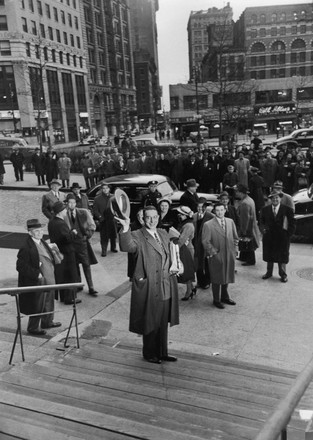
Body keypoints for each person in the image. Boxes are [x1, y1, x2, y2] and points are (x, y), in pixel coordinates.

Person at [118, 205, 179, 364]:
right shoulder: (137, 235)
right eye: (148, 217)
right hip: (150, 285)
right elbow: (127, 246)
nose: (152, 220)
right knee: (151, 320)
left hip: (165, 285)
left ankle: (162, 352)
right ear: (142, 219)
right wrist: (125, 228)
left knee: (162, 321)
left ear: (159, 217)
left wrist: (176, 265)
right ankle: (149, 353)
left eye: (155, 217)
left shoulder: (163, 233)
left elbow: (170, 255)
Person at [16, 219, 61, 335]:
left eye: (41, 230)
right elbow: (20, 266)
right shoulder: (26, 247)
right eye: (36, 231)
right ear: (30, 233)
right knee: (38, 303)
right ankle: (33, 327)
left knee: (49, 301)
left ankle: (47, 321)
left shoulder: (42, 242)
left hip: (49, 277)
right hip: (38, 280)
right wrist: (37, 274)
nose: (40, 232)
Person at [202, 202, 238, 309]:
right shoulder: (208, 225)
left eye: (222, 210)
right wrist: (213, 253)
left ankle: (225, 297)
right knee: (217, 278)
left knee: (227, 275)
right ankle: (216, 299)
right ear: (214, 211)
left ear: (225, 210)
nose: (220, 212)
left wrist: (235, 250)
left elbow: (235, 238)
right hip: (217, 255)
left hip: (229, 254)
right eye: (217, 210)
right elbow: (205, 241)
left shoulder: (230, 222)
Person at [48, 201, 80, 305]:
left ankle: (63, 296)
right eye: (64, 209)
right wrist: (73, 233)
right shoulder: (60, 223)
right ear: (60, 212)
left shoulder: (51, 222)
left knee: (62, 275)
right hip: (66, 252)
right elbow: (66, 239)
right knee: (70, 275)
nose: (66, 210)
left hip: (59, 252)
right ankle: (70, 298)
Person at [65, 194, 98, 296]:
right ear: (66, 203)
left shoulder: (83, 212)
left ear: (76, 203)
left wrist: (87, 235)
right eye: (69, 202)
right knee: (74, 265)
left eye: (73, 202)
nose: (71, 205)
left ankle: (91, 287)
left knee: (86, 264)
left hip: (82, 243)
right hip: (70, 244)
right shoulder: (64, 214)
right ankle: (78, 284)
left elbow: (92, 226)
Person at [260, 190, 295, 283]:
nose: (275, 199)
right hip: (269, 237)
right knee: (269, 256)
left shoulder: (287, 210)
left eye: (277, 197)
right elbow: (261, 222)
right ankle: (269, 272)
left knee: (282, 257)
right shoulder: (265, 209)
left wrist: (288, 235)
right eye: (273, 198)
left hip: (282, 238)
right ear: (270, 199)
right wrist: (263, 231)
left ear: (280, 198)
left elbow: (292, 224)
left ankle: (283, 274)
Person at [175, 206, 196, 301]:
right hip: (186, 248)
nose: (179, 215)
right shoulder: (187, 223)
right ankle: (191, 288)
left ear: (186, 215)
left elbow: (182, 240)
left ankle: (188, 291)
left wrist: (174, 247)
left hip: (186, 249)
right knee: (188, 270)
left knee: (187, 271)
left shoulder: (188, 226)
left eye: (181, 214)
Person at [235, 184, 260, 266]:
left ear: (240, 192)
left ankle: (251, 260)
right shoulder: (249, 200)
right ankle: (243, 256)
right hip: (251, 224)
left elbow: (244, 218)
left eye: (237, 191)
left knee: (248, 242)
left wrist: (243, 230)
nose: (236, 193)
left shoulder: (244, 203)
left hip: (248, 226)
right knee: (246, 242)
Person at [193, 198, 214, 290]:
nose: (199, 209)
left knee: (207, 263)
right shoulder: (194, 216)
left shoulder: (211, 216)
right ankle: (200, 281)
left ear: (205, 207)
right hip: (196, 244)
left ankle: (208, 281)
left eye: (202, 207)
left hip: (206, 244)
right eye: (198, 206)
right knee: (198, 263)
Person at [93, 182, 118, 256]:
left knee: (113, 234)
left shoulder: (114, 197)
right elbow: (95, 210)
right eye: (103, 188)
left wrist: (116, 215)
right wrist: (100, 217)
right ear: (101, 189)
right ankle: (104, 250)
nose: (105, 190)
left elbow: (117, 207)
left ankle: (113, 248)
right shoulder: (97, 198)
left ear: (109, 189)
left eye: (106, 188)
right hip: (103, 220)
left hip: (112, 219)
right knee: (104, 236)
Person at [127, 208, 145, 280]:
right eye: (139, 216)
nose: (140, 218)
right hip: (135, 249)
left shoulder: (149, 225)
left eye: (142, 216)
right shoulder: (133, 225)